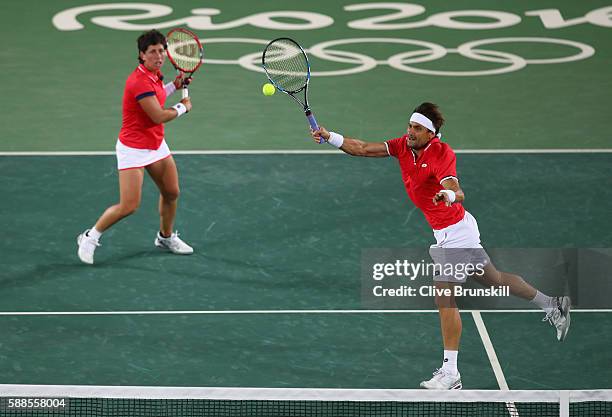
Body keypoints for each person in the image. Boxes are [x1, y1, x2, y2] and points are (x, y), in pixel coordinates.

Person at [310, 102, 571, 389]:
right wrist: (330, 137)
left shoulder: (441, 153)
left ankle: (451, 374)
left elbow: (455, 187)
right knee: (494, 279)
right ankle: (552, 304)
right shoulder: (402, 146)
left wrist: (447, 195)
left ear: (431, 134)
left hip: (456, 234)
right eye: (410, 125)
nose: (410, 132)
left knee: (444, 299)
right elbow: (362, 148)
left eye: (417, 128)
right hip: (455, 230)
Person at [77, 29, 194, 265]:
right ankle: (90, 236)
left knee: (171, 193)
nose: (159, 56)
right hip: (133, 149)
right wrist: (183, 107)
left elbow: (157, 94)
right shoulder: (138, 81)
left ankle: (165, 237)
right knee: (129, 205)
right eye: (152, 52)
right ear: (142, 55)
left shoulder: (153, 75)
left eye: (162, 51)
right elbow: (158, 115)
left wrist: (174, 85)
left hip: (155, 144)